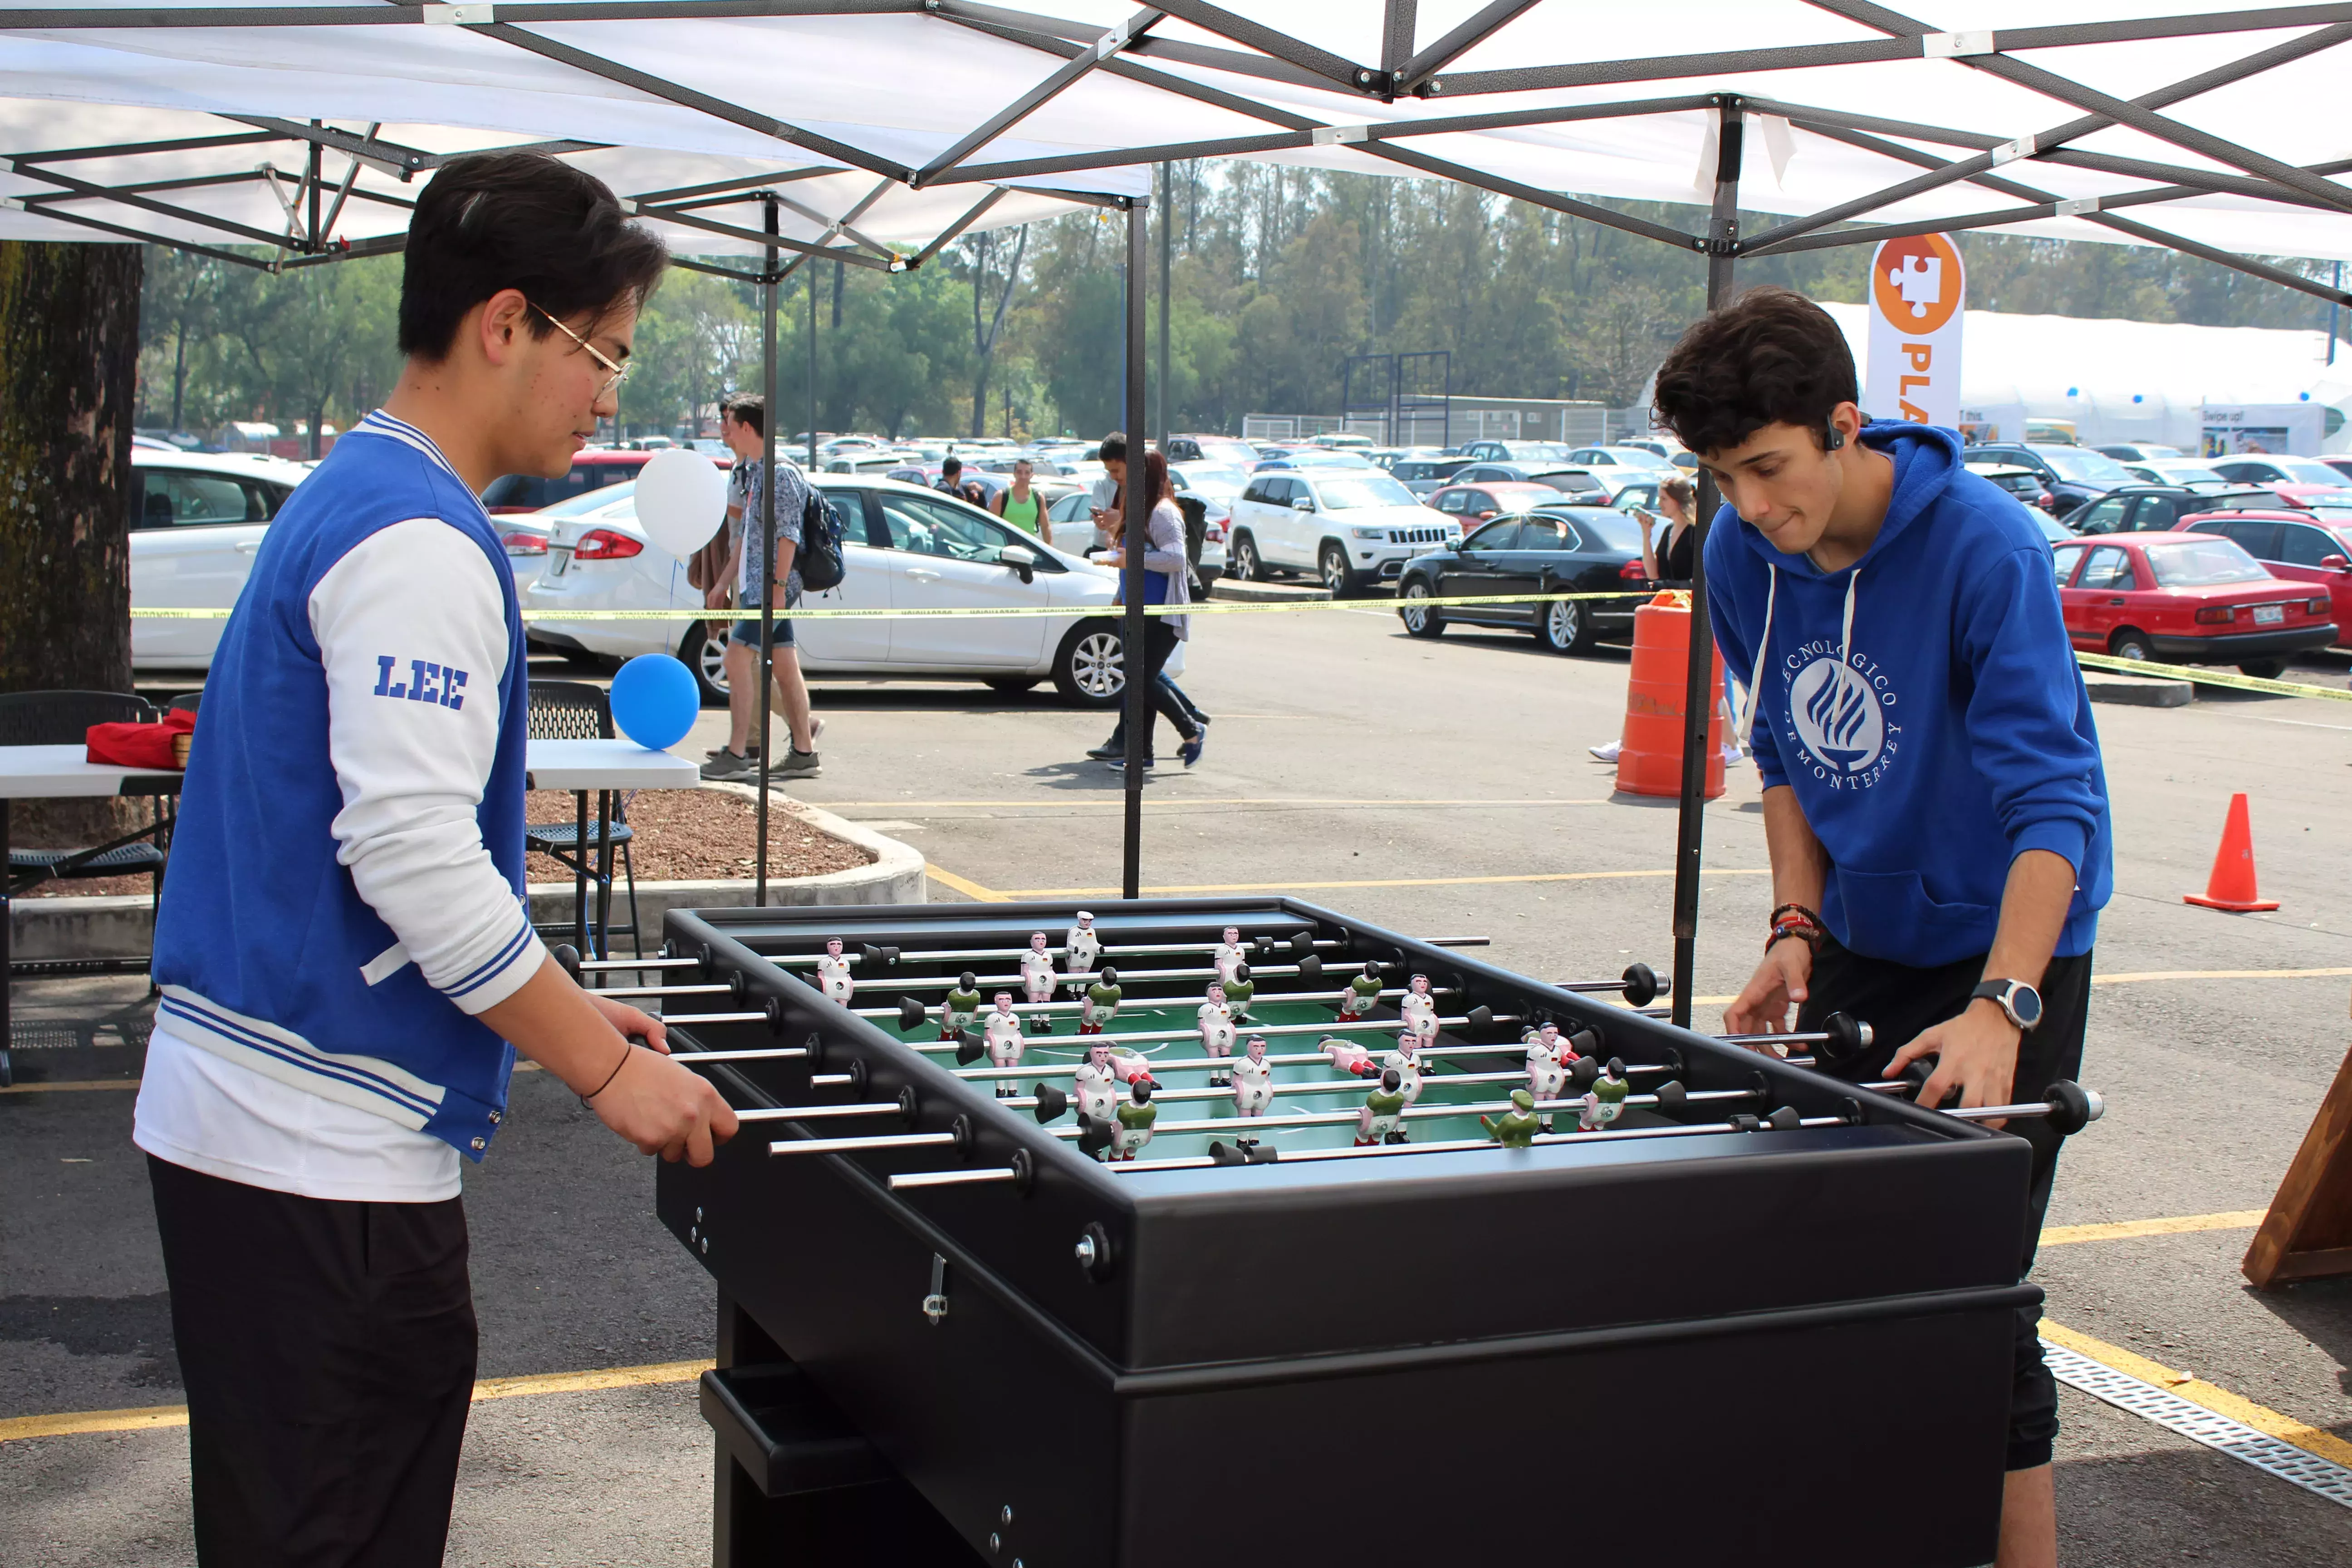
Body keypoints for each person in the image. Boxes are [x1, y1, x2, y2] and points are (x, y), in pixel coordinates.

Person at [135, 150, 739, 1566]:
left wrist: (573, 1012)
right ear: (507, 322)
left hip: (261, 1129)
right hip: (317, 1163)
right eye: (604, 355)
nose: (610, 399)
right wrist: (604, 1069)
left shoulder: (358, 489)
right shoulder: (419, 539)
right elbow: (413, 858)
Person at [1654, 284, 2111, 1568]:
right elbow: (1782, 753)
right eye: (1721, 478)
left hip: (2006, 950)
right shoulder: (1746, 553)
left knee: (1973, 1295)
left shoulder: (1987, 548)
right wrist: (1795, 924)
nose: (1750, 507)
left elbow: (2055, 803)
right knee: (1828, 1268)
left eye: (1768, 469)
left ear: (1846, 425)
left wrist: (2004, 1007)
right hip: (1861, 932)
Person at [1588, 470, 1744, 769]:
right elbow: (1654, 575)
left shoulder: (1698, 532)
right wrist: (1646, 534)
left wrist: (1678, 588)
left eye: (1663, 499)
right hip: (1669, 612)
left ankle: (1729, 741)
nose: (1659, 504)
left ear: (1677, 500)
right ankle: (1627, 741)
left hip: (1692, 612)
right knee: (1658, 677)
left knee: (1705, 679)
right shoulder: (1669, 532)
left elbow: (1704, 576)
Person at [703, 393, 821, 781]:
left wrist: (777, 588)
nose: (726, 430)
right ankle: (804, 752)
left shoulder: (781, 474)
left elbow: (788, 535)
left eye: (731, 423)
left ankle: (738, 753)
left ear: (748, 428)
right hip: (759, 587)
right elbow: (748, 539)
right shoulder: (756, 472)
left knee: (735, 660)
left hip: (771, 589)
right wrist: (722, 583)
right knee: (785, 669)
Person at [1091, 449, 1205, 770]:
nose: (1126, 480)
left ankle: (1192, 729)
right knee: (1141, 680)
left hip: (1162, 611)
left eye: (1136, 473)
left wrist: (1133, 559)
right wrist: (1119, 594)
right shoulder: (1139, 509)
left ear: (1150, 475)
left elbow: (1176, 559)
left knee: (1140, 679)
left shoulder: (1164, 512)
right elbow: (1130, 563)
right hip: (1138, 608)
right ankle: (1142, 754)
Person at [992, 456, 1052, 544]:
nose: (1023, 476)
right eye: (1019, 472)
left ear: (1032, 475)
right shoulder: (1002, 496)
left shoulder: (1038, 498)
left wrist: (1050, 550)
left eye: (1027, 473)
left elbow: (1045, 527)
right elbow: (991, 527)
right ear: (1014, 474)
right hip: (1005, 551)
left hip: (1029, 551)